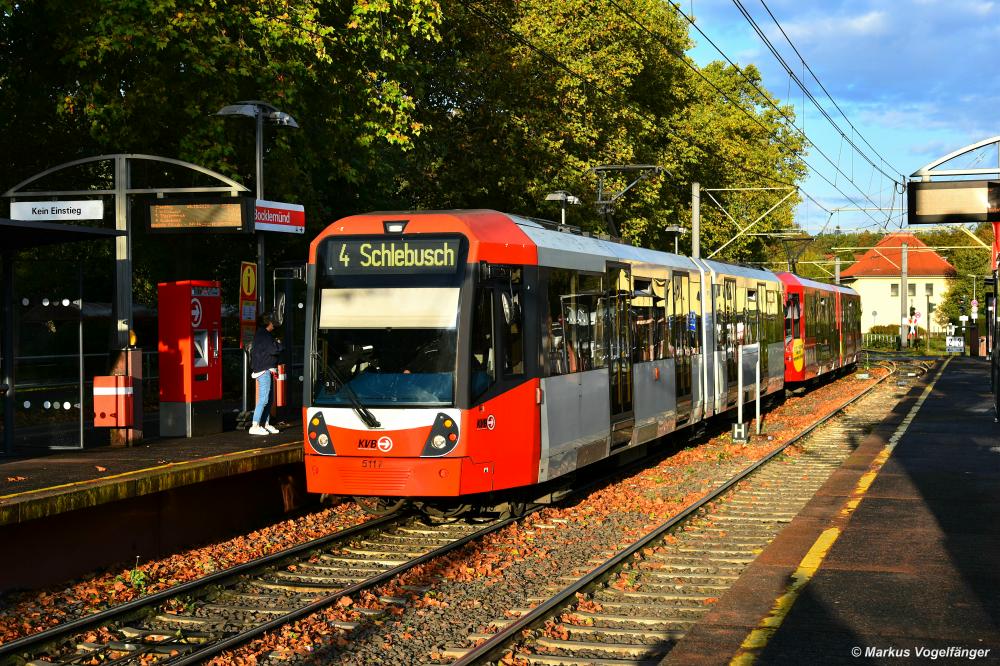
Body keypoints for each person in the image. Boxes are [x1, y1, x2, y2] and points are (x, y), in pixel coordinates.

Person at [249, 312, 283, 435]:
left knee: (268, 399)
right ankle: (255, 425)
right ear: (269, 323)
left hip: (265, 369)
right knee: (264, 399)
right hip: (264, 370)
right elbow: (274, 349)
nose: (274, 324)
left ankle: (265, 424)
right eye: (273, 322)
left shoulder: (262, 334)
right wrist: (279, 344)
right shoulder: (265, 336)